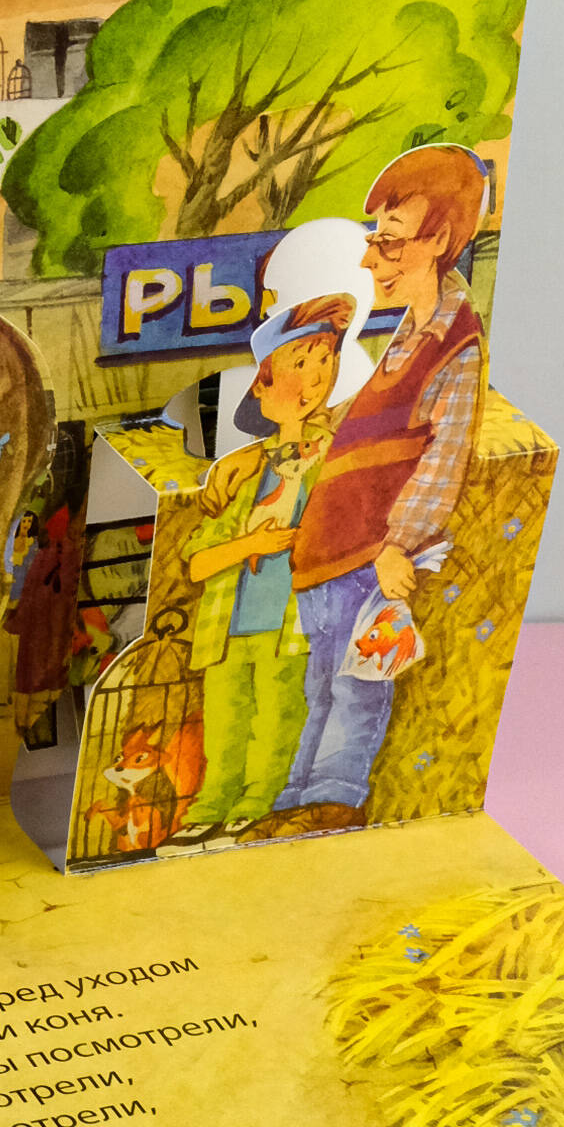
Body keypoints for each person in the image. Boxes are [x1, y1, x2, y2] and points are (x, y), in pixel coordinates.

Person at [259, 140, 488, 840]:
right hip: (328, 556)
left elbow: (444, 457)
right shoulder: (403, 338)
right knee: (320, 685)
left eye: (389, 243)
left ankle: (335, 798)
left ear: (439, 241)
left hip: (372, 559)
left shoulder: (455, 345)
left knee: (356, 683)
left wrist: (399, 546)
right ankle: (296, 800)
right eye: (372, 241)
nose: (369, 261)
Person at [163, 296, 353, 844]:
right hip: (226, 627)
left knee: (276, 719)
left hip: (292, 625)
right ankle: (208, 809)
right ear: (261, 388)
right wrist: (251, 542)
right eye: (300, 364)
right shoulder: (244, 473)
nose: (315, 378)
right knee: (225, 722)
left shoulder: (331, 456)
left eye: (325, 361)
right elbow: (198, 561)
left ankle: (256, 805)